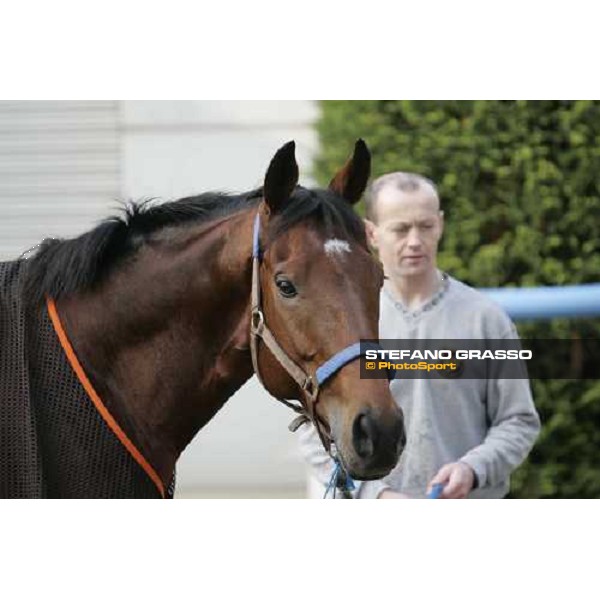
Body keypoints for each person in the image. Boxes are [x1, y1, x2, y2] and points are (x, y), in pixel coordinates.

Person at [297, 172, 541, 499]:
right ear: (371, 232)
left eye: (425, 226)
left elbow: (519, 421)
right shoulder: (344, 323)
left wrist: (473, 469)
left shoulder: (487, 320)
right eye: (400, 229)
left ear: (440, 224)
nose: (415, 240)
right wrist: (376, 495)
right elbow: (315, 430)